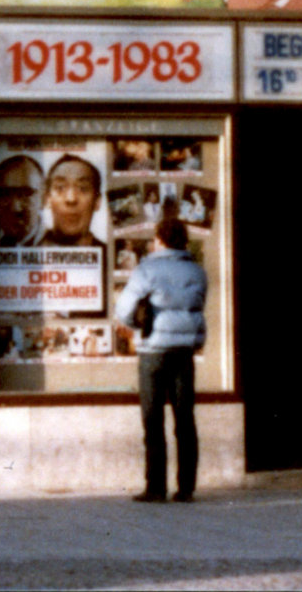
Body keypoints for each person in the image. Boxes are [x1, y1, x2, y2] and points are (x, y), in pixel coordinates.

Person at [116, 214, 208, 503]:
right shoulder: (197, 272)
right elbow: (197, 308)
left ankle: (156, 487)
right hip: (184, 351)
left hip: (153, 351)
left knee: (153, 420)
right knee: (185, 419)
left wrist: (136, 324)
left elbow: (124, 309)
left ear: (159, 239)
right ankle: (186, 488)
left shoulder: (147, 270)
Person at [39, 154, 105, 247]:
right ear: (47, 199)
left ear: (97, 201)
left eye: (83, 188)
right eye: (60, 188)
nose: (71, 199)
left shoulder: (111, 253)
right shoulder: (30, 249)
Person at [0, 153, 44, 245]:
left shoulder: (59, 241)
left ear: (43, 198)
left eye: (26, 194)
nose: (15, 208)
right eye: (5, 195)